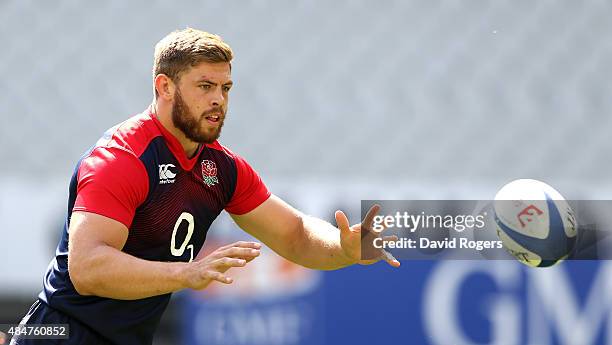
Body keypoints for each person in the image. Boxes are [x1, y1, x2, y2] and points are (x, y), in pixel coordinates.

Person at [11, 28, 399, 345]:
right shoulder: (122, 159)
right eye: (205, 86)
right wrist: (186, 273)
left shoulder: (221, 167)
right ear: (164, 86)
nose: (218, 100)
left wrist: (345, 247)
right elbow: (87, 267)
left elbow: (295, 234)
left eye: (226, 88)